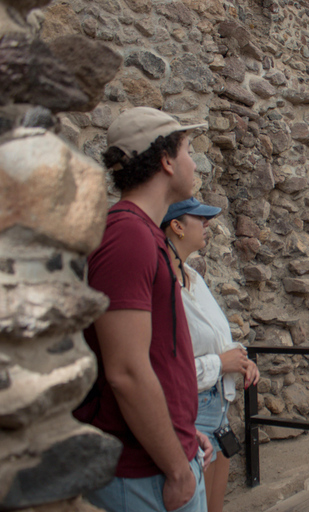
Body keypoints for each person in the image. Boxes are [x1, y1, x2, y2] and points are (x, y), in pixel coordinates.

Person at [76, 107, 212, 512]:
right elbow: (126, 372)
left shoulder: (139, 233)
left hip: (160, 458)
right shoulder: (128, 236)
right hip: (142, 474)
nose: (194, 161)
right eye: (188, 149)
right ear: (167, 161)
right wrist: (176, 466)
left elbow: (157, 358)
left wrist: (182, 434)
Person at [161, 198, 259, 512]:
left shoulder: (194, 278)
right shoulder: (162, 283)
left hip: (217, 408)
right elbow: (161, 368)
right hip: (191, 411)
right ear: (176, 226)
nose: (207, 226)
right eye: (199, 219)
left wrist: (240, 359)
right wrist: (220, 363)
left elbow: (217, 339)